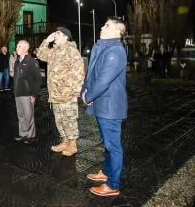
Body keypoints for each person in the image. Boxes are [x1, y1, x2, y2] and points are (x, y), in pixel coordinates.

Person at [81, 17, 127, 196]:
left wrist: (88, 96)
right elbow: (91, 73)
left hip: (110, 106)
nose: (102, 27)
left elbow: (103, 80)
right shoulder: (102, 47)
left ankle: (113, 184)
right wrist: (85, 89)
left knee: (113, 145)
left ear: (118, 32)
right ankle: (106, 173)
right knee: (107, 143)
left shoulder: (116, 50)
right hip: (102, 103)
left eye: (107, 25)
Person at [37, 27, 84, 156]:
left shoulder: (71, 51)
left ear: (65, 37)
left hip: (67, 94)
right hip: (55, 94)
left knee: (69, 119)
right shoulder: (53, 51)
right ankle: (64, 140)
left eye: (58, 33)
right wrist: (47, 41)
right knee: (59, 120)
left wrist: (76, 93)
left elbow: (79, 73)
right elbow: (40, 55)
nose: (55, 35)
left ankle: (72, 143)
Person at [13, 40, 42, 145]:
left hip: (27, 93)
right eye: (17, 46)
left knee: (29, 115)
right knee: (21, 114)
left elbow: (38, 79)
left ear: (26, 48)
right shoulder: (17, 61)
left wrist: (34, 94)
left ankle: (31, 135)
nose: (17, 48)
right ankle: (23, 133)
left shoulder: (31, 61)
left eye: (19, 46)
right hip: (18, 92)